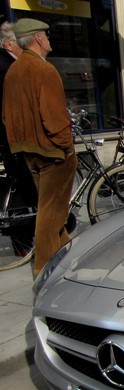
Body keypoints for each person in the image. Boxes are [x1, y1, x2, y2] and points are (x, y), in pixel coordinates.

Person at [3, 18, 78, 277]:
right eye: (46, 34)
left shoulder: (14, 71)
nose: (49, 38)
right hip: (52, 152)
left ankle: (66, 261)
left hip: (29, 151)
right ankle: (43, 271)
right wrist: (66, 147)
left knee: (51, 208)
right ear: (37, 38)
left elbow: (6, 116)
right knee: (51, 215)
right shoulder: (44, 71)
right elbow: (54, 117)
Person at [0, 22, 39, 255]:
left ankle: (25, 240)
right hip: (13, 139)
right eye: (18, 42)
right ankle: (22, 243)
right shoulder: (6, 67)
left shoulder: (12, 64)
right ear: (7, 44)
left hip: (14, 138)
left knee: (26, 189)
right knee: (23, 191)